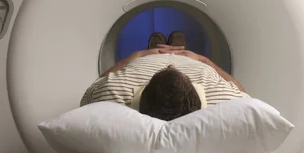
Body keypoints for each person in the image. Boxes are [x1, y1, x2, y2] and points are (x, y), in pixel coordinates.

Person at [80, 31, 247, 121]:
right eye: (176, 70)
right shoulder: (225, 99)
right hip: (191, 61)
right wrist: (201, 59)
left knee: (157, 42)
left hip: (149, 58)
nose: (171, 64)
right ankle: (177, 48)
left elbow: (98, 83)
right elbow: (240, 89)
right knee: (178, 42)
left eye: (164, 71)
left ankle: (159, 48)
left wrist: (139, 55)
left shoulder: (112, 92)